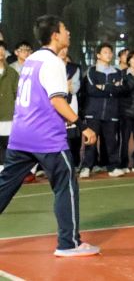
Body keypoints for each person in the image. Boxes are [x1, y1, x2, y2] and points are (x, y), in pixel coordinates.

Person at [0, 15, 100, 257]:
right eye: (65, 29)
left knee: (4, 187)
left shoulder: (31, 60)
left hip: (21, 134)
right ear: (55, 35)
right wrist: (82, 125)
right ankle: (69, 243)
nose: (68, 33)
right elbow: (57, 100)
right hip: (46, 138)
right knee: (66, 186)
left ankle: (69, 242)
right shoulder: (53, 62)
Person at [81, 43, 126, 178]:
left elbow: (120, 90)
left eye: (110, 52)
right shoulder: (91, 71)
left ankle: (113, 167)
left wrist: (103, 87)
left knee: (111, 142)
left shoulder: (117, 72)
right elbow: (91, 90)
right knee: (91, 141)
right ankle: (86, 167)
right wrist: (111, 88)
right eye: (105, 52)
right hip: (93, 112)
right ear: (98, 55)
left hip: (111, 112)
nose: (109, 54)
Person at [58, 47, 82, 169]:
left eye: (65, 49)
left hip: (71, 103)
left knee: (72, 136)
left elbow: (74, 89)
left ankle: (74, 163)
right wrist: (65, 85)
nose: (63, 51)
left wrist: (67, 87)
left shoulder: (74, 68)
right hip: (54, 105)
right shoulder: (50, 67)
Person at [0, 41, 19, 172]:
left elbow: (18, 94)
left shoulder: (12, 73)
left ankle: (7, 169)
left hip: (8, 115)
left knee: (8, 143)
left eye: (2, 49)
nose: (0, 52)